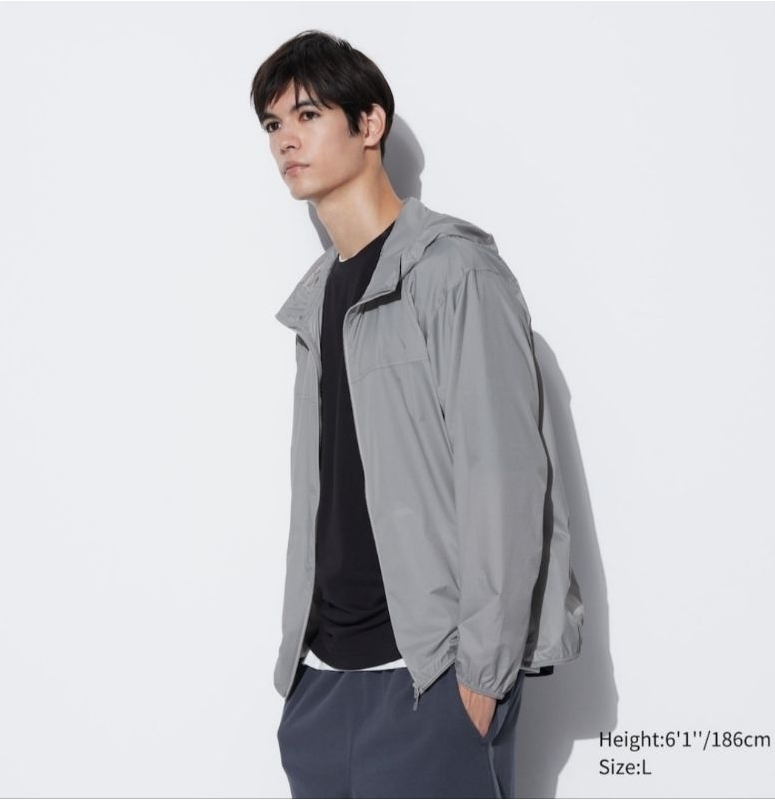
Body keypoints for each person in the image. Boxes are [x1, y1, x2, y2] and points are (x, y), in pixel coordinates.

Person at [250, 30, 583, 799]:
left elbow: (505, 480)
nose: (285, 140)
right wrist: (299, 681)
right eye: (272, 124)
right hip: (322, 682)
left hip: (428, 680)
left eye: (307, 115)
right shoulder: (315, 301)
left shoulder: (453, 272)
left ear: (370, 123)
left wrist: (480, 680)